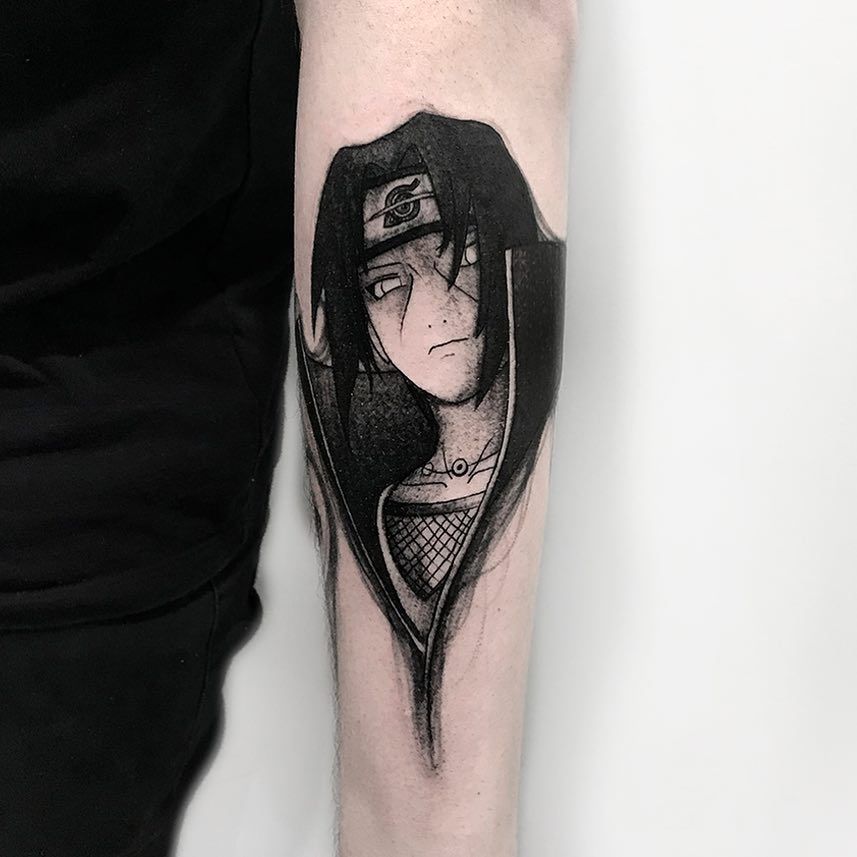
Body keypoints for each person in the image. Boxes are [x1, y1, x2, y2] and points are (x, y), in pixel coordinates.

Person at [0, 0, 574, 854]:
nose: (431, 308)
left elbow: (440, 34)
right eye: (387, 284)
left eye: (451, 253)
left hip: (58, 547)